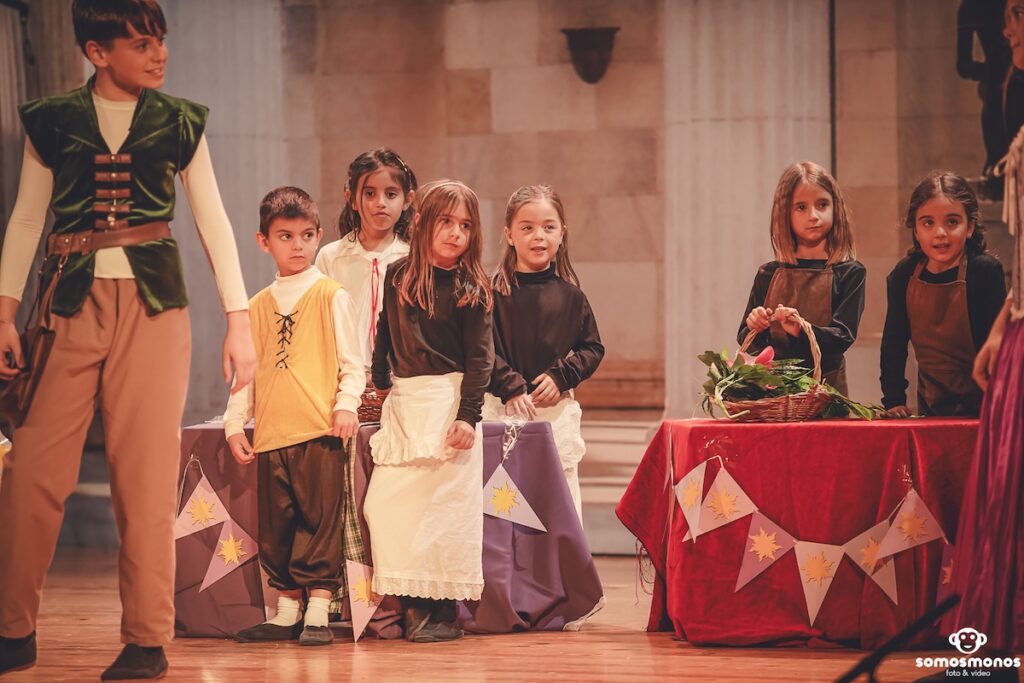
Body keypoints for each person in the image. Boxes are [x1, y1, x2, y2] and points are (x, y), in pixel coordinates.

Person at [0, 1, 256, 678]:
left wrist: (239, 319)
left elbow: (214, 220)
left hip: (154, 309)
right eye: (141, 43)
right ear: (97, 51)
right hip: (67, 304)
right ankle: (12, 628)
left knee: (145, 476)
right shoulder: (53, 119)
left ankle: (147, 640)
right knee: (32, 471)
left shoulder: (179, 121)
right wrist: (4, 313)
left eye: (160, 40)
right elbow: (26, 218)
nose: (159, 53)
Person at [224, 187, 364, 647]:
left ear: (319, 236)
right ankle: (287, 611)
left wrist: (346, 404)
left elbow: (352, 363)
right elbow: (246, 373)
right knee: (277, 526)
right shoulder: (256, 306)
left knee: (318, 522)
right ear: (264, 241)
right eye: (285, 236)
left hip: (319, 431)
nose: (298, 245)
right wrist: (233, 423)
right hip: (272, 433)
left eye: (307, 235)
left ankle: (318, 612)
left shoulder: (330, 295)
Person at [365, 180, 493, 643]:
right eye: (446, 222)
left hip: (448, 405)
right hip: (406, 402)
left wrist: (468, 416)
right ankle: (416, 602)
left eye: (465, 225)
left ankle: (442, 613)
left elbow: (481, 360)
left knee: (443, 513)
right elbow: (385, 330)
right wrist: (379, 380)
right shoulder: (398, 274)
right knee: (388, 506)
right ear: (421, 223)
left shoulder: (472, 288)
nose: (456, 233)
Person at [486, 184, 604, 523]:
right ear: (509, 234)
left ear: (561, 234)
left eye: (548, 227)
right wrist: (511, 386)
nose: (538, 236)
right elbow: (480, 350)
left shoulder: (572, 297)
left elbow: (592, 348)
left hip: (553, 415)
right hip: (501, 411)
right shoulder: (491, 294)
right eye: (527, 227)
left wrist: (560, 376)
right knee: (504, 512)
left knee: (557, 511)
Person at [880, 172, 1006, 417]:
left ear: (969, 227)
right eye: (928, 223)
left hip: (985, 406)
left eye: (952, 222)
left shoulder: (985, 271)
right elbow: (893, 343)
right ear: (916, 230)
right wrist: (893, 399)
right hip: (931, 405)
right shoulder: (904, 274)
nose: (940, 232)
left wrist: (998, 405)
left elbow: (998, 350)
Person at [737, 161, 866, 395]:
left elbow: (843, 337)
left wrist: (800, 330)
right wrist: (755, 324)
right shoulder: (768, 274)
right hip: (775, 394)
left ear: (835, 207)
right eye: (801, 207)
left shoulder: (849, 273)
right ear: (784, 213)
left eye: (822, 205)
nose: (813, 216)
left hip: (827, 391)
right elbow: (748, 341)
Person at [315, 148, 417, 369]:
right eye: (370, 193)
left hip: (399, 378)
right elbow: (319, 324)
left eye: (391, 194)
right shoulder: (331, 257)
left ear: (407, 200)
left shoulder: (414, 259)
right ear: (351, 198)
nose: (380, 203)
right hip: (343, 376)